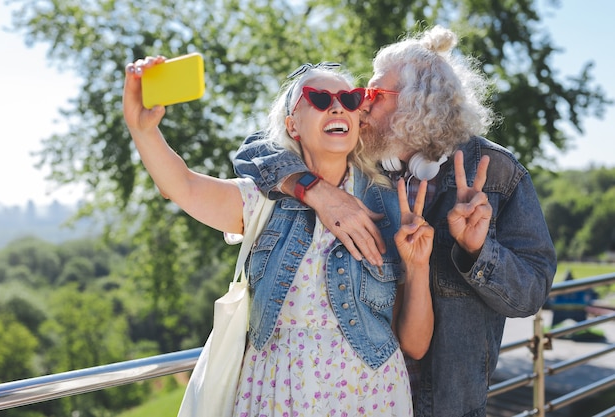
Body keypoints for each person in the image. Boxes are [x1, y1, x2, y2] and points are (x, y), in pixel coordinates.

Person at [232, 25, 557, 417]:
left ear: (417, 103)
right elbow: (258, 147)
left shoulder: (497, 173)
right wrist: (315, 190)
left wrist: (477, 250)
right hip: (356, 397)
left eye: (373, 95)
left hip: (449, 405)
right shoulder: (358, 160)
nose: (360, 106)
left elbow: (531, 294)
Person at [123, 57, 435, 416]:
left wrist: (418, 267)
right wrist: (143, 130)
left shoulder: (389, 207)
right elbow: (184, 186)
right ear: (293, 125)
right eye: (318, 99)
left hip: (372, 398)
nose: (336, 106)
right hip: (276, 396)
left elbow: (415, 344)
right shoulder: (262, 201)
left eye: (349, 99)